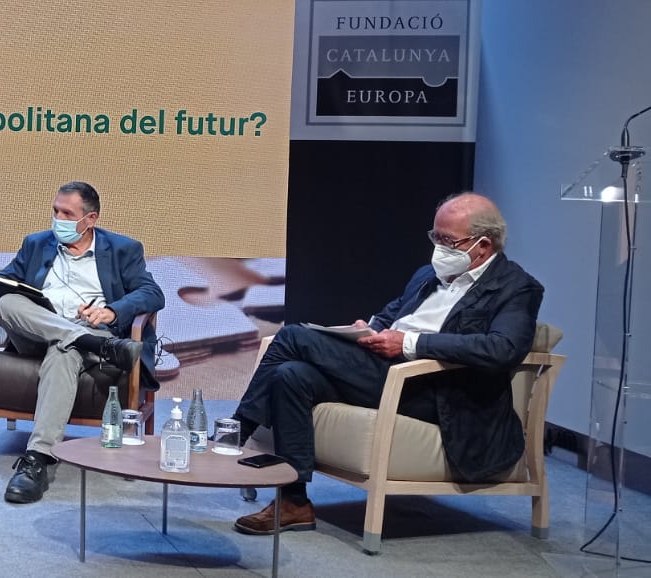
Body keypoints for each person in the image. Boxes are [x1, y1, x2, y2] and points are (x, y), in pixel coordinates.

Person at [231, 192, 543, 535]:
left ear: (483, 246)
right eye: (435, 237)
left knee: (293, 336)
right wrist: (369, 329)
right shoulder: (428, 275)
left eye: (447, 240)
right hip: (384, 372)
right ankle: (294, 502)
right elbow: (391, 315)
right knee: (290, 376)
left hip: (435, 392)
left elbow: (503, 348)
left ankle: (233, 435)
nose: (438, 248)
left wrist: (409, 343)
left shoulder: (516, 287)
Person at [0, 181, 166, 504]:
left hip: (93, 330)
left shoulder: (123, 249)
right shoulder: (36, 243)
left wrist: (112, 312)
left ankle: (37, 459)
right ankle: (91, 343)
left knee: (64, 350)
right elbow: (0, 283)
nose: (58, 219)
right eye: (56, 211)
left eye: (67, 214)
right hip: (40, 334)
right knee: (6, 304)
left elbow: (152, 293)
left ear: (90, 219)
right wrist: (9, 291)